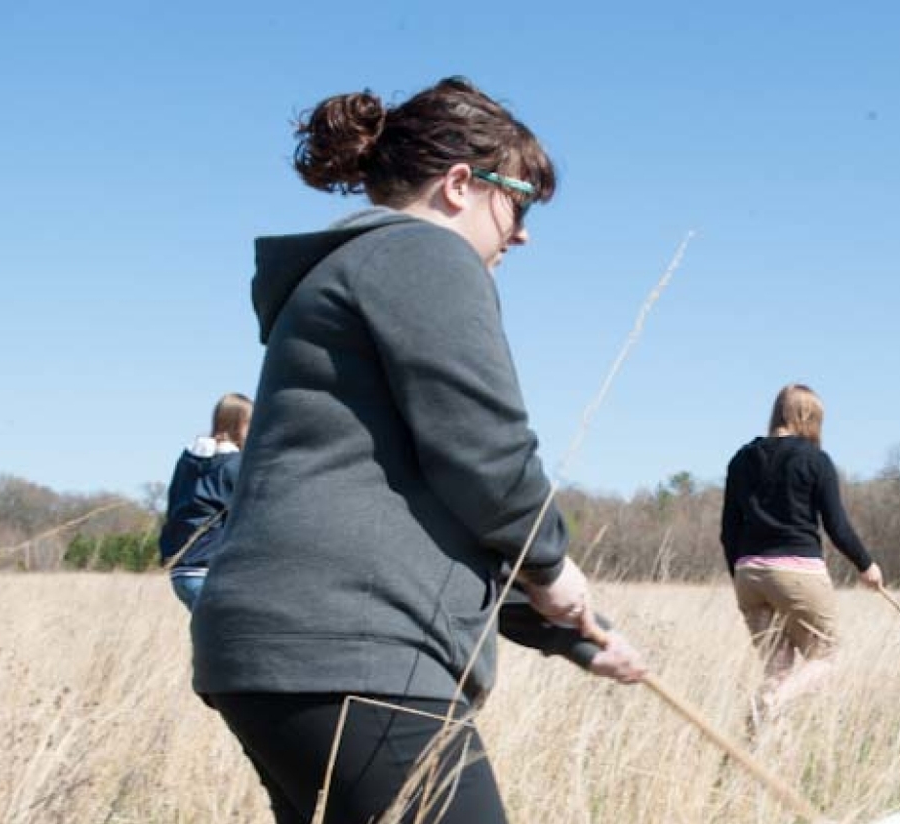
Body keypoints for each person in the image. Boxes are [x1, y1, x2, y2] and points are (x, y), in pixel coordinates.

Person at [189, 76, 645, 824]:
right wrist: (550, 562)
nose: (523, 232)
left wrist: (573, 640)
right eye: (519, 202)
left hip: (289, 649)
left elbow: (419, 502)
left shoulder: (356, 271)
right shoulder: (421, 255)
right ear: (461, 184)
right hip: (349, 654)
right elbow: (486, 447)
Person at [720, 383, 883, 721]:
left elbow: (728, 532)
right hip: (796, 572)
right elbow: (837, 526)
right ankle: (773, 704)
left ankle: (763, 745)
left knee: (777, 670)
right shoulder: (815, 460)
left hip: (748, 574)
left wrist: (740, 575)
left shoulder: (740, 460)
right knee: (827, 657)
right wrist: (866, 566)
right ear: (808, 417)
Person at [158, 392, 251, 610]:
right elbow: (247, 518)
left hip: (180, 573)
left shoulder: (187, 461)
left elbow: (172, 507)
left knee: (208, 641)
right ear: (238, 424)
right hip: (209, 572)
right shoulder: (234, 465)